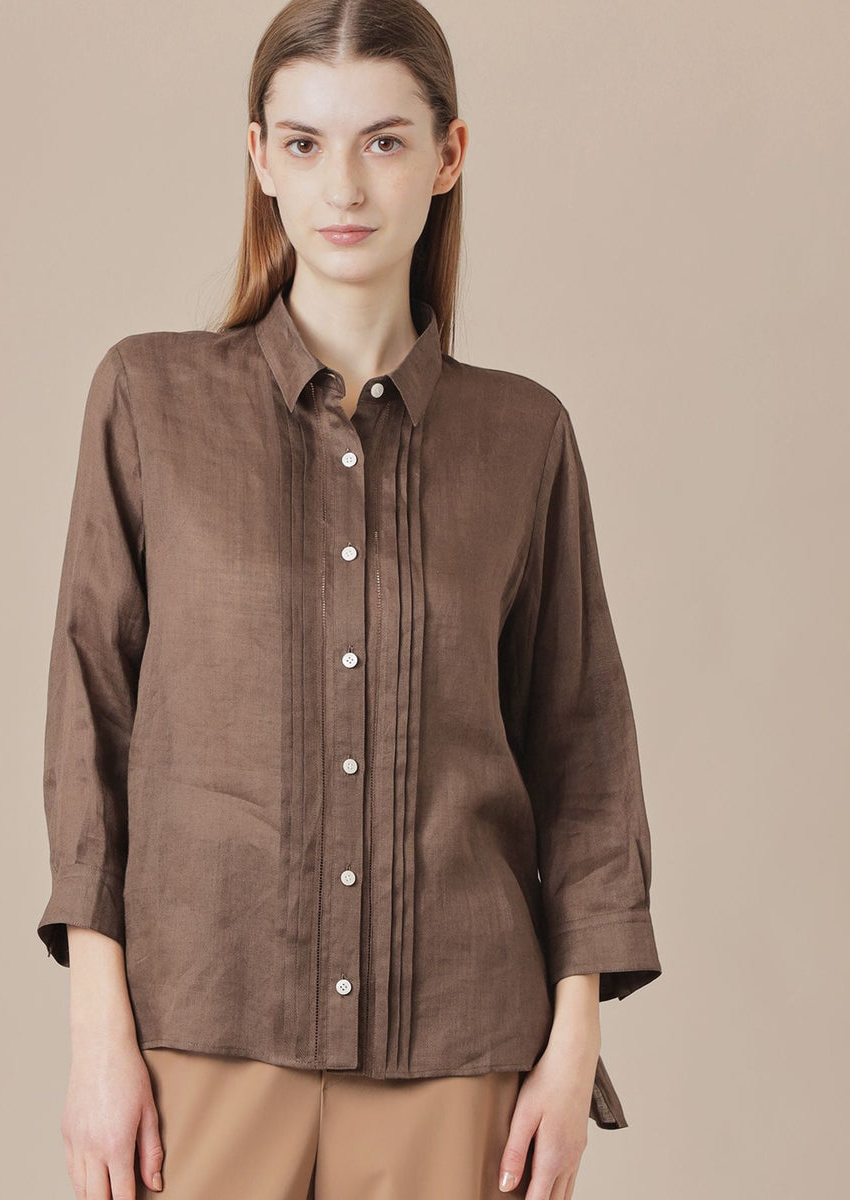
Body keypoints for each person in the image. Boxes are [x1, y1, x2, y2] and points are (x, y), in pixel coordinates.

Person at [35, 2, 662, 1198]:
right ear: (260, 159)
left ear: (448, 155)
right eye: (305, 142)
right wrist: (96, 1035)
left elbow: (581, 752)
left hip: (459, 1048)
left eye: (383, 141)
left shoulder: (522, 437)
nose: (345, 186)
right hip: (205, 1029)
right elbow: (90, 730)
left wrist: (573, 1041)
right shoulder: (149, 403)